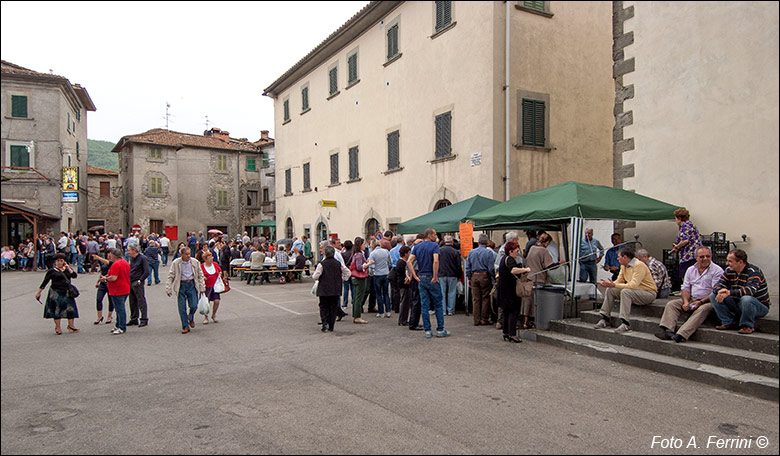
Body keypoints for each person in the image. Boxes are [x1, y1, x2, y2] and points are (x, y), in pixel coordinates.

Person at [655, 247, 724, 343]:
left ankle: (681, 334)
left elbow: (715, 292)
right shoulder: (691, 269)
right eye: (702, 257)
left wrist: (700, 302)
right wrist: (686, 302)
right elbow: (685, 288)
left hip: (709, 301)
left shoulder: (717, 270)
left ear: (711, 257)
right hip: (692, 298)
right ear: (696, 258)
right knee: (672, 304)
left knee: (702, 309)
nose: (705, 259)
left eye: (708, 256)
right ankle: (668, 330)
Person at [594, 247, 657, 333]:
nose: (617, 259)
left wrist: (614, 284)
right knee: (610, 290)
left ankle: (626, 323)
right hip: (635, 292)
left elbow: (633, 285)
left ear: (625, 257)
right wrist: (610, 285)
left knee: (626, 292)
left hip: (648, 293)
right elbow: (619, 280)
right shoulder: (623, 265)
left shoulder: (639, 265)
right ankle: (605, 318)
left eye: (619, 257)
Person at [711, 249, 771, 335]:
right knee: (713, 295)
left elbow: (750, 290)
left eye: (730, 261)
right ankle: (728, 321)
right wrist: (720, 291)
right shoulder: (729, 270)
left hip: (758, 306)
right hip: (738, 303)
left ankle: (747, 325)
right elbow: (718, 285)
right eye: (727, 260)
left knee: (746, 299)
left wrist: (729, 292)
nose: (727, 263)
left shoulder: (754, 272)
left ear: (740, 262)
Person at [407, 228, 451, 339]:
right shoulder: (434, 246)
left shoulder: (417, 247)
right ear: (430, 235)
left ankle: (427, 330)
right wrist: (435, 276)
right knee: (438, 304)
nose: (436, 236)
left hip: (421, 278)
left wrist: (415, 276)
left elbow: (409, 262)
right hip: (431, 277)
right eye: (435, 234)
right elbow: (436, 260)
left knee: (424, 305)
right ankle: (440, 329)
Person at [35, 253, 79, 335]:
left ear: (64, 261)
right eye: (58, 261)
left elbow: (74, 276)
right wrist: (39, 293)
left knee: (70, 309)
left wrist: (69, 268)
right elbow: (45, 282)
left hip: (67, 291)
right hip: (55, 292)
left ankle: (71, 326)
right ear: (55, 262)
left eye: (61, 261)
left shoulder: (67, 269)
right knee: (57, 310)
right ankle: (58, 327)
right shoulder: (52, 271)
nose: (59, 262)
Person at [524, 232, 561, 329]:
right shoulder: (543, 251)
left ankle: (525, 321)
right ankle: (536, 321)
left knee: (528, 300)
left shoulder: (532, 248)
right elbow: (549, 266)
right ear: (547, 242)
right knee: (537, 302)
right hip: (538, 278)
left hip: (529, 277)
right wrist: (560, 263)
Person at [166, 247, 206, 334]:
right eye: (186, 254)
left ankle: (190, 316)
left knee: (194, 305)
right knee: (182, 307)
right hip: (181, 285)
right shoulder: (176, 263)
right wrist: (168, 288)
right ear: (181, 255)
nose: (188, 256)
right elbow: (171, 275)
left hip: (192, 284)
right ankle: (185, 326)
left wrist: (202, 287)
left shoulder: (195, 262)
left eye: (189, 253)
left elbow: (200, 275)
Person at [497, 241, 531, 343]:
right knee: (513, 312)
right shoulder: (510, 259)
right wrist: (525, 269)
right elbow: (513, 270)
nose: (518, 253)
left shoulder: (503, 259)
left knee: (507, 311)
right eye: (516, 251)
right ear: (511, 251)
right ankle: (512, 334)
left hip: (503, 290)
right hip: (510, 291)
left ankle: (506, 332)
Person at [313, 245, 352, 332]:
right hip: (335, 288)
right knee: (333, 307)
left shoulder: (321, 264)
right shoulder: (338, 263)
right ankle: (331, 325)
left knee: (323, 306)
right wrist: (343, 279)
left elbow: (315, 276)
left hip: (324, 289)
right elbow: (348, 272)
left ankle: (324, 323)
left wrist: (319, 277)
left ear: (325, 254)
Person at [465, 233, 496, 327]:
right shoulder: (489, 253)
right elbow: (491, 268)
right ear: (487, 243)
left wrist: (469, 277)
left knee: (476, 299)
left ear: (478, 242)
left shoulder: (471, 252)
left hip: (474, 275)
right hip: (484, 275)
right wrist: (493, 277)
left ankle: (476, 319)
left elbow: (467, 267)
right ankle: (484, 318)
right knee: (485, 298)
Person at [100, 249, 131, 335]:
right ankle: (118, 325)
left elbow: (114, 278)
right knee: (119, 308)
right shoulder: (125, 263)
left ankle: (121, 326)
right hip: (125, 287)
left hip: (117, 289)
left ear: (113, 256)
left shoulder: (116, 264)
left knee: (119, 309)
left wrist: (105, 278)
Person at [671, 208, 703, 281]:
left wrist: (677, 246)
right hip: (693, 255)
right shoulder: (691, 225)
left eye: (675, 218)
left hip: (689, 256)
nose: (675, 221)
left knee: (686, 277)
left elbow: (685, 240)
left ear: (679, 218)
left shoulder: (686, 226)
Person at [365, 239, 393, 318]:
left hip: (377, 274)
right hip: (385, 273)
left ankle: (381, 312)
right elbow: (390, 261)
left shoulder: (373, 253)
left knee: (378, 294)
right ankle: (388, 311)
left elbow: (371, 265)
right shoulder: (386, 251)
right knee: (386, 293)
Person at [126, 243, 150, 327]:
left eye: (129, 250)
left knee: (141, 300)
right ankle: (134, 318)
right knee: (132, 301)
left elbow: (147, 271)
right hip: (131, 281)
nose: (128, 252)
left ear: (134, 250)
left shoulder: (142, 258)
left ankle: (144, 319)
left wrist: (140, 280)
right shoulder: (131, 258)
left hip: (137, 281)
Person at [438, 235, 461, 317]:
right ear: (452, 242)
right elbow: (458, 265)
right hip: (452, 274)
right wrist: (459, 276)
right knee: (452, 292)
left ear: (444, 242)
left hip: (441, 274)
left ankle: (443, 311)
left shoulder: (439, 250)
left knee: (442, 292)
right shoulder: (455, 252)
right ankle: (450, 310)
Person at [348, 237, 369, 324]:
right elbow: (359, 267)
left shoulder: (356, 254)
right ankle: (357, 316)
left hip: (355, 277)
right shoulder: (359, 254)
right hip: (359, 278)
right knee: (359, 297)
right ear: (360, 245)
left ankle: (356, 315)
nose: (365, 246)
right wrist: (368, 264)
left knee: (356, 296)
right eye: (364, 244)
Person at [200, 251, 223, 324]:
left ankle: (214, 314)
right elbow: (199, 275)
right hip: (206, 286)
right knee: (206, 302)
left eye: (212, 257)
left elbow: (219, 271)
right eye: (209, 257)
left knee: (217, 300)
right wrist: (203, 277)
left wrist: (220, 273)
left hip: (215, 286)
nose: (212, 259)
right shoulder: (202, 266)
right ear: (205, 259)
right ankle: (206, 317)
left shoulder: (215, 264)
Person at [91, 254, 115, 325]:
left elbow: (108, 263)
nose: (109, 255)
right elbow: (102, 273)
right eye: (108, 254)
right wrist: (97, 281)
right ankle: (99, 316)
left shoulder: (113, 263)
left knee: (110, 300)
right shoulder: (104, 264)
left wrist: (98, 258)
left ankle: (109, 316)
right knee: (99, 299)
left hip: (110, 283)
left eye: (111, 254)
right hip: (102, 284)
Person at [395, 246, 413, 327]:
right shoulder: (402, 263)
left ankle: (403, 319)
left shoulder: (401, 262)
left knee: (405, 302)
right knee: (404, 302)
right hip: (404, 284)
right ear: (405, 253)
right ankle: (403, 320)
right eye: (409, 252)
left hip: (402, 284)